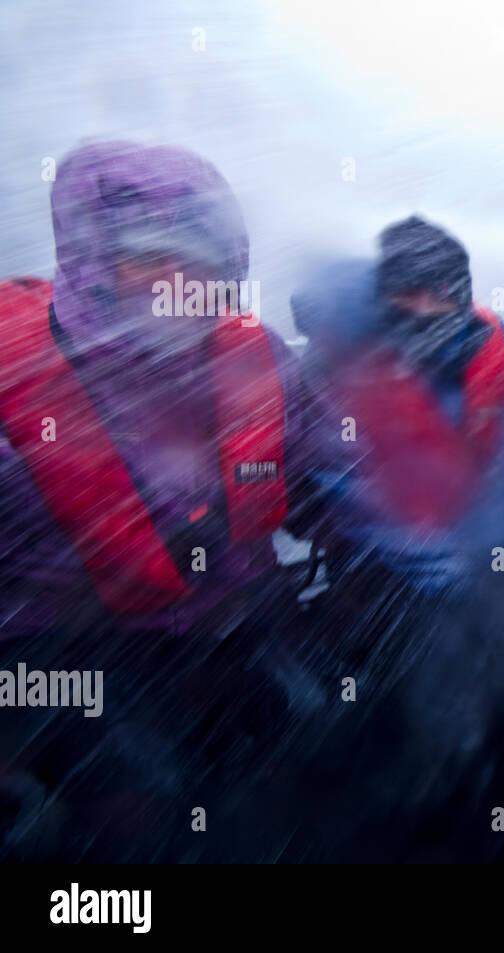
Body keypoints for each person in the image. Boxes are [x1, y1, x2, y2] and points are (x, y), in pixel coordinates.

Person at [0, 141, 325, 860]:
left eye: (199, 260)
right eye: (147, 256)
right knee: (138, 809)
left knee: (316, 753)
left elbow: (326, 479)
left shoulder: (261, 359)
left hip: (236, 625)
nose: (176, 281)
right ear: (94, 260)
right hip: (61, 654)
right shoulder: (13, 367)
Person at [288, 217, 504, 860]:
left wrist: (478, 550)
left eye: (441, 289)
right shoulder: (347, 365)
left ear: (463, 290)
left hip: (483, 557)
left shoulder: (495, 350)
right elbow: (338, 470)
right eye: (406, 292)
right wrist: (415, 552)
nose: (423, 306)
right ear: (383, 296)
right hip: (383, 569)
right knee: (413, 698)